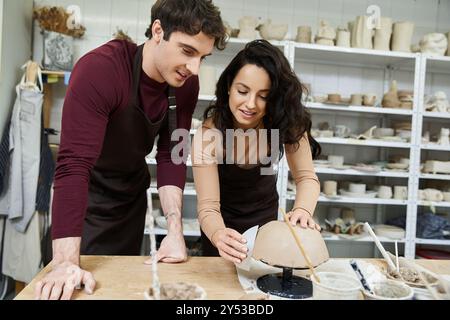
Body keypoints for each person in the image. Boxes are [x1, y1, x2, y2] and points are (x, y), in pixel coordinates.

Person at [34, 0, 226, 300]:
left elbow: (171, 154)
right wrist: (65, 262)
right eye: (188, 51)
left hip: (129, 207)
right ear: (158, 30)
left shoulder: (186, 85)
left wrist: (174, 231)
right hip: (84, 207)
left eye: (203, 57)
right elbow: (73, 166)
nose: (194, 68)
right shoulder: (101, 70)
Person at [192, 40, 321, 264]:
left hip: (266, 225)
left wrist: (302, 210)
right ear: (229, 86)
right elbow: (208, 207)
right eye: (243, 91)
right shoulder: (208, 135)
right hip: (221, 227)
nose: (250, 104)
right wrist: (217, 235)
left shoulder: (284, 122)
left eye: (263, 96)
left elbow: (307, 178)